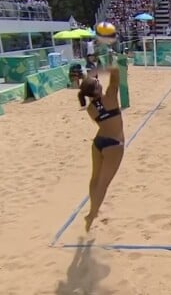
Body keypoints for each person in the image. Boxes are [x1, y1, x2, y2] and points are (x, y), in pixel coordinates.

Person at [77, 67, 125, 232]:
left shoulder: (91, 109)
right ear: (97, 88)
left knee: (95, 179)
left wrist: (91, 77)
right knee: (103, 184)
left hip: (99, 142)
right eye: (98, 82)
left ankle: (92, 209)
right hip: (114, 143)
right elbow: (116, 73)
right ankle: (92, 213)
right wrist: (104, 68)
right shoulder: (111, 96)